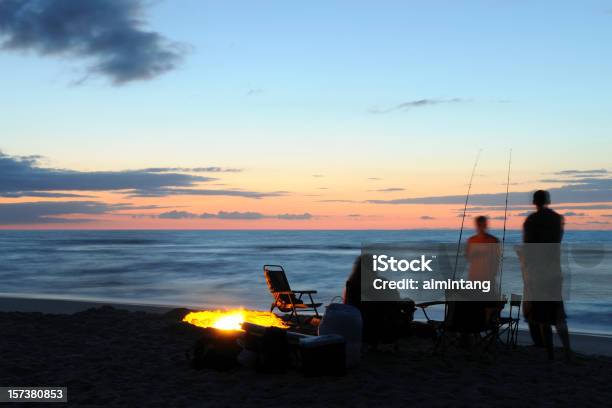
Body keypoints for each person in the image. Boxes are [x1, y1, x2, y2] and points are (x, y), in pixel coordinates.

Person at [522, 190, 571, 360]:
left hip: (538, 274)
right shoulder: (558, 219)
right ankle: (567, 351)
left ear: (534, 202)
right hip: (554, 272)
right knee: (558, 315)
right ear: (548, 200)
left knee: (542, 318)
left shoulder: (531, 221)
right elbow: (558, 240)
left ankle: (550, 354)